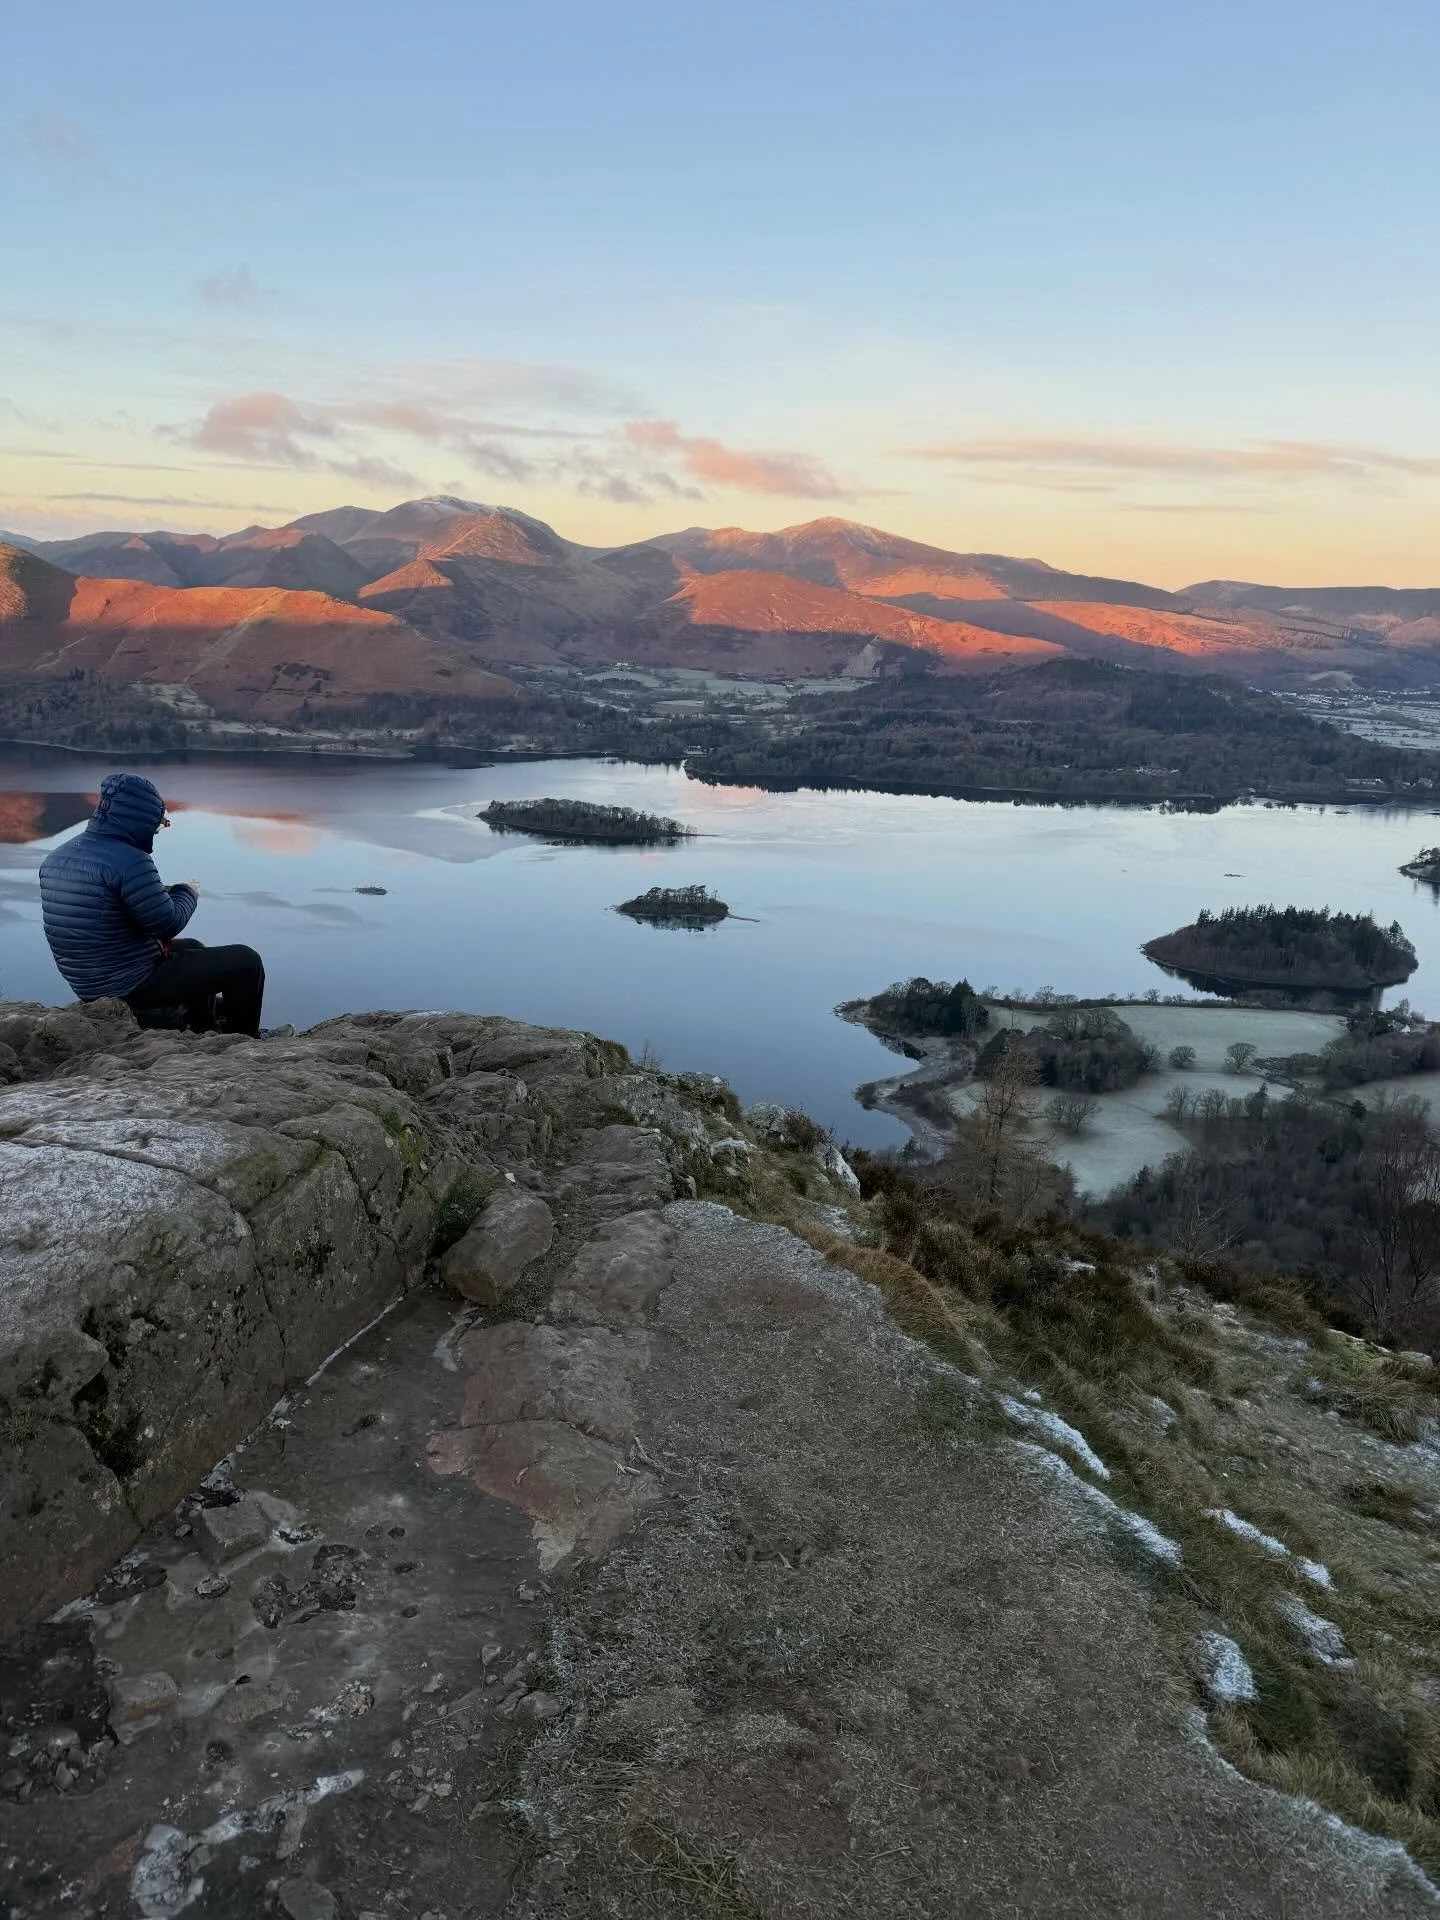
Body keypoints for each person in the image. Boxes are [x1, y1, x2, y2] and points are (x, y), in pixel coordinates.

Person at [39, 772, 267, 1036]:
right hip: (131, 983)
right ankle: (244, 1039)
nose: (158, 831)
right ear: (140, 820)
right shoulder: (131, 860)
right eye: (159, 824)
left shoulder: (58, 857)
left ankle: (202, 1025)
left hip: (92, 982)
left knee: (194, 948)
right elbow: (167, 923)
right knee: (245, 960)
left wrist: (157, 893)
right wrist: (187, 892)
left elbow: (109, 913)